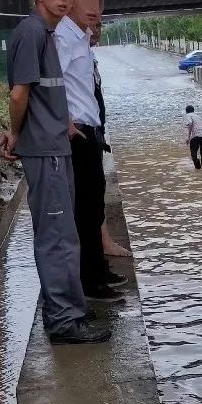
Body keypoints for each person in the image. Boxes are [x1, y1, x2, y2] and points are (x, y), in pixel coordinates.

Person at [1, 0, 110, 345]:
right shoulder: (32, 32)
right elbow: (19, 94)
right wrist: (15, 134)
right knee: (57, 239)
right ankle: (65, 322)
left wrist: (62, 125)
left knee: (66, 235)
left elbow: (48, 93)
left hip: (55, 147)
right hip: (44, 151)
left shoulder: (46, 35)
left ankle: (70, 311)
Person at [55, 0, 126, 304]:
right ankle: (90, 282)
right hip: (77, 135)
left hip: (89, 133)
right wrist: (66, 122)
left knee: (94, 205)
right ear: (70, 0)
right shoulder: (62, 38)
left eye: (100, 2)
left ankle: (98, 271)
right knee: (84, 210)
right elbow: (47, 83)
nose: (95, 9)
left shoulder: (79, 38)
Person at [90, 20, 132, 260]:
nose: (96, 30)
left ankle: (104, 242)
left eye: (99, 25)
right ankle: (101, 248)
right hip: (82, 133)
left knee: (96, 192)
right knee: (90, 196)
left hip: (93, 132)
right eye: (90, 24)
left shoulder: (87, 55)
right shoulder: (69, 51)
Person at [185, 105, 202, 169]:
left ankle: (198, 169)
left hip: (196, 136)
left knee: (193, 154)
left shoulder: (188, 115)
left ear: (186, 111)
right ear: (193, 110)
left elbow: (189, 124)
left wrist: (188, 138)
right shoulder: (198, 116)